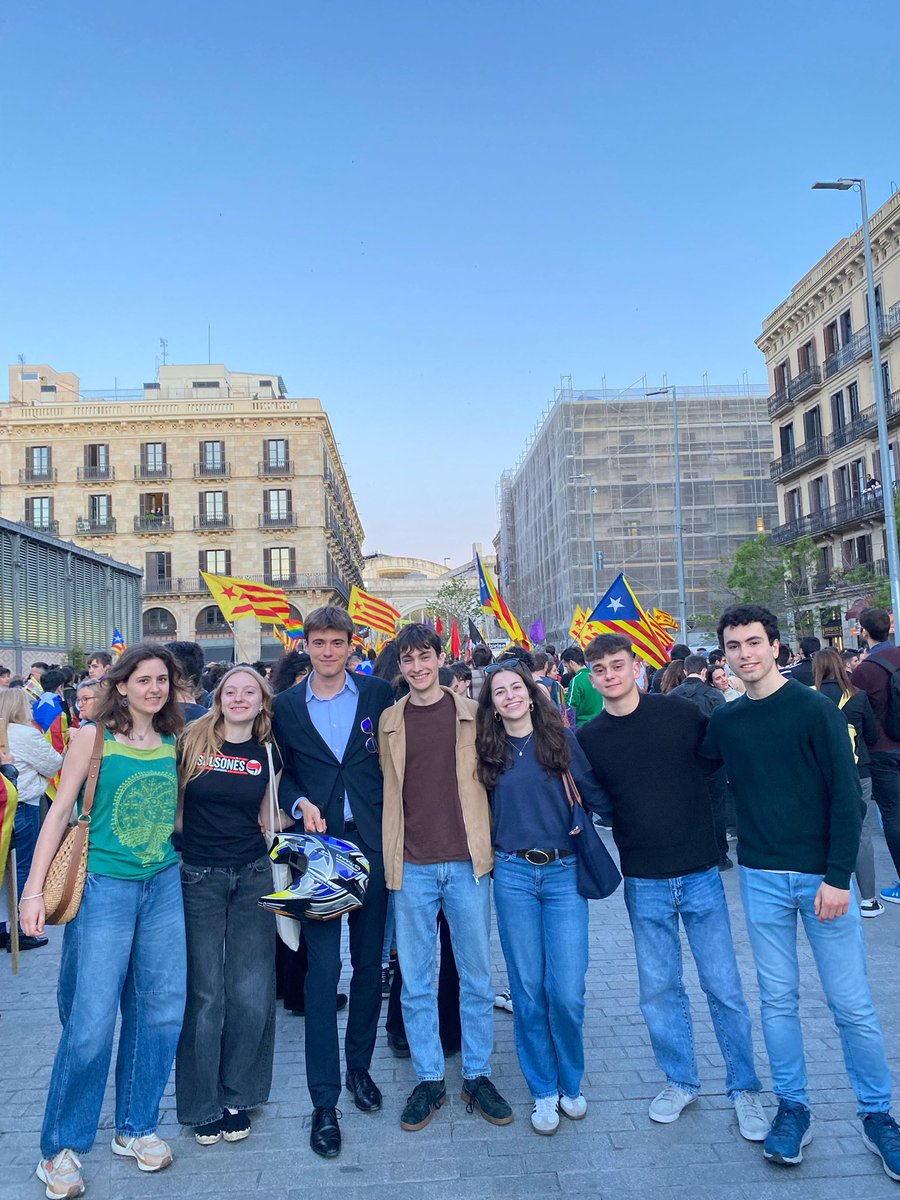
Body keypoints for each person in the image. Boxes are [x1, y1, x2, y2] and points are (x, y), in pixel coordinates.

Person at [704, 605, 900, 1176]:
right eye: (734, 646)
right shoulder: (726, 721)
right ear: (725, 656)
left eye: (754, 642)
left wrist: (838, 877)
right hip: (761, 879)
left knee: (851, 1005)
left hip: (822, 880)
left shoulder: (815, 710)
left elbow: (848, 796)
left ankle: (878, 1115)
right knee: (777, 1001)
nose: (744, 653)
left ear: (776, 647)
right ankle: (793, 1107)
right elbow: (691, 768)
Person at [576, 633, 766, 1140]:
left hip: (700, 871)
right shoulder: (590, 739)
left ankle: (744, 1088)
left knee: (723, 986)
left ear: (636, 667)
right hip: (644, 879)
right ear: (591, 676)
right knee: (659, 990)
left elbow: (718, 765)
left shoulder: (680, 714)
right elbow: (597, 800)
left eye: (618, 665)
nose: (610, 675)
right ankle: (680, 1080)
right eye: (600, 669)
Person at [20, 643, 186, 1199]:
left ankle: (136, 1127)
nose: (154, 688)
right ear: (121, 684)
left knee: (160, 1011)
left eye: (162, 680)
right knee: (90, 1021)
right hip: (102, 889)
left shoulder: (173, 741)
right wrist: (32, 891)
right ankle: (60, 1148)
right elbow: (58, 814)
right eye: (144, 679)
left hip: (162, 885)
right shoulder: (93, 739)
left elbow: (176, 815)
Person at [379, 624, 513, 1133]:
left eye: (424, 656)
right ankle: (430, 1078)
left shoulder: (474, 715)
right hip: (410, 866)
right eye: (408, 659)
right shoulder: (390, 720)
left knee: (476, 979)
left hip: (467, 865)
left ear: (439, 658)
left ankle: (477, 1074)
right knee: (416, 983)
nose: (417, 667)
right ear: (400, 666)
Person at [272, 606, 394, 1159]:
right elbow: (280, 775)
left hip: (371, 841)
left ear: (351, 645)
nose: (327, 651)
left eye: (336, 642)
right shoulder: (285, 706)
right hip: (318, 850)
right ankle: (323, 1100)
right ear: (306, 646)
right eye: (318, 643)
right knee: (322, 973)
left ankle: (360, 1069)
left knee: (370, 965)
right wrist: (298, 801)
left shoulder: (377, 694)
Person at [475, 659, 611, 1135]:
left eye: (517, 687)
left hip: (563, 874)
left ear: (532, 695)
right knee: (529, 991)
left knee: (567, 991)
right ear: (492, 705)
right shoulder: (487, 751)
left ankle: (571, 1082)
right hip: (512, 875)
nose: (510, 696)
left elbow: (599, 797)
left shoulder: (561, 740)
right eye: (499, 692)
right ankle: (543, 1088)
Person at [175, 667, 288, 1145]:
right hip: (198, 876)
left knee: (251, 989)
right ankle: (201, 1104)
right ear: (218, 697)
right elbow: (175, 810)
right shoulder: (190, 741)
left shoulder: (268, 750)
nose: (239, 698)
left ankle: (239, 1093)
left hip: (252, 874)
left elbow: (267, 817)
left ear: (262, 702)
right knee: (205, 994)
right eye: (231, 691)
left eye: (250, 692)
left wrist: (305, 809)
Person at [812, 648, 883, 917]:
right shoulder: (859, 696)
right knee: (861, 831)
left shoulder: (810, 697)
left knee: (824, 827)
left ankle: (829, 891)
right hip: (858, 771)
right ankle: (869, 899)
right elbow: (872, 736)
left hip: (821, 773)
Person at [0, 689, 62, 950]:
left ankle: (3, 927)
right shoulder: (25, 733)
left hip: (5, 802)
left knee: (4, 869)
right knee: (23, 867)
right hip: (22, 804)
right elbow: (53, 764)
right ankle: (21, 928)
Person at [850, 607, 900, 907]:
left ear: (864, 632)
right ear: (889, 628)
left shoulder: (863, 671)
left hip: (882, 751)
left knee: (893, 815)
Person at [669, 655, 731, 870]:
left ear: (685, 671)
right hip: (713, 761)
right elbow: (724, 730)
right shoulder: (715, 695)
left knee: (687, 806)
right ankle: (720, 855)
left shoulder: (672, 696)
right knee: (716, 807)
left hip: (684, 761)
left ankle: (692, 851)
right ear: (705, 671)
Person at [560, 647, 603, 726]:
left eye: (566, 666)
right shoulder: (595, 675)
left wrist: (562, 695)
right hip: (599, 722)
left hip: (583, 725)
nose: (567, 670)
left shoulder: (576, 680)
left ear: (571, 663)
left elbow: (570, 704)